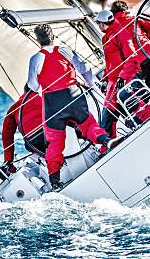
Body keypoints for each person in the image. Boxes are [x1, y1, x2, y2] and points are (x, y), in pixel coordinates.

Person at [27, 24, 120, 190]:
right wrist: (90, 84)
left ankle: (55, 182)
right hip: (74, 95)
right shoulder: (65, 51)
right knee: (89, 125)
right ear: (53, 37)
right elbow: (85, 68)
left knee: (54, 143)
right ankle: (107, 140)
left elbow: (33, 86)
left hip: (52, 103)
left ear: (37, 40)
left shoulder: (35, 58)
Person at [95, 10, 150, 139]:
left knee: (128, 98)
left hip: (127, 78)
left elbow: (132, 58)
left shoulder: (121, 34)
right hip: (114, 82)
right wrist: (105, 79)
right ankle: (108, 145)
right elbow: (110, 62)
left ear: (103, 23)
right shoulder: (106, 38)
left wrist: (123, 76)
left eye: (98, 23)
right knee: (107, 117)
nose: (98, 26)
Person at [0, 85, 46, 177]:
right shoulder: (45, 99)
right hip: (51, 136)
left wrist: (8, 160)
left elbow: (7, 136)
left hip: (32, 144)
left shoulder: (14, 107)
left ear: (24, 92)